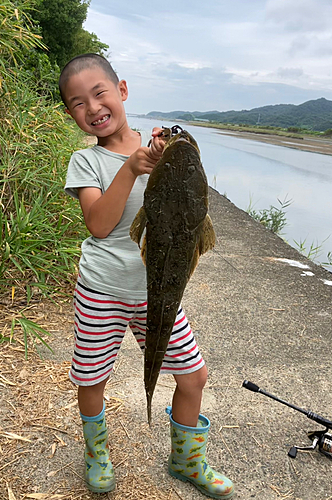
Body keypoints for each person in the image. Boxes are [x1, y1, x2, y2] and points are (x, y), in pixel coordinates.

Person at [60, 53, 234, 499]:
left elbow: (194, 204)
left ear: (122, 91)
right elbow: (99, 225)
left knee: (193, 375)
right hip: (102, 289)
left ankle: (187, 459)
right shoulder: (86, 162)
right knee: (91, 376)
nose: (93, 107)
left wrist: (162, 153)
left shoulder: (158, 149)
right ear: (71, 114)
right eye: (78, 103)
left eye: (100, 93)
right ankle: (97, 452)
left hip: (158, 292)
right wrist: (130, 167)